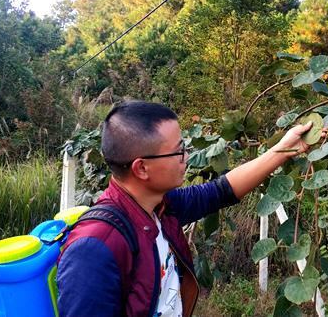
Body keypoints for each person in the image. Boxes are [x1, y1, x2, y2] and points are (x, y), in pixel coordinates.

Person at [56, 101, 312, 317]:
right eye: (178, 151)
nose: (186, 157)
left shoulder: (160, 207)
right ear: (141, 168)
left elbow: (221, 191)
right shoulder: (94, 249)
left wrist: (285, 149)